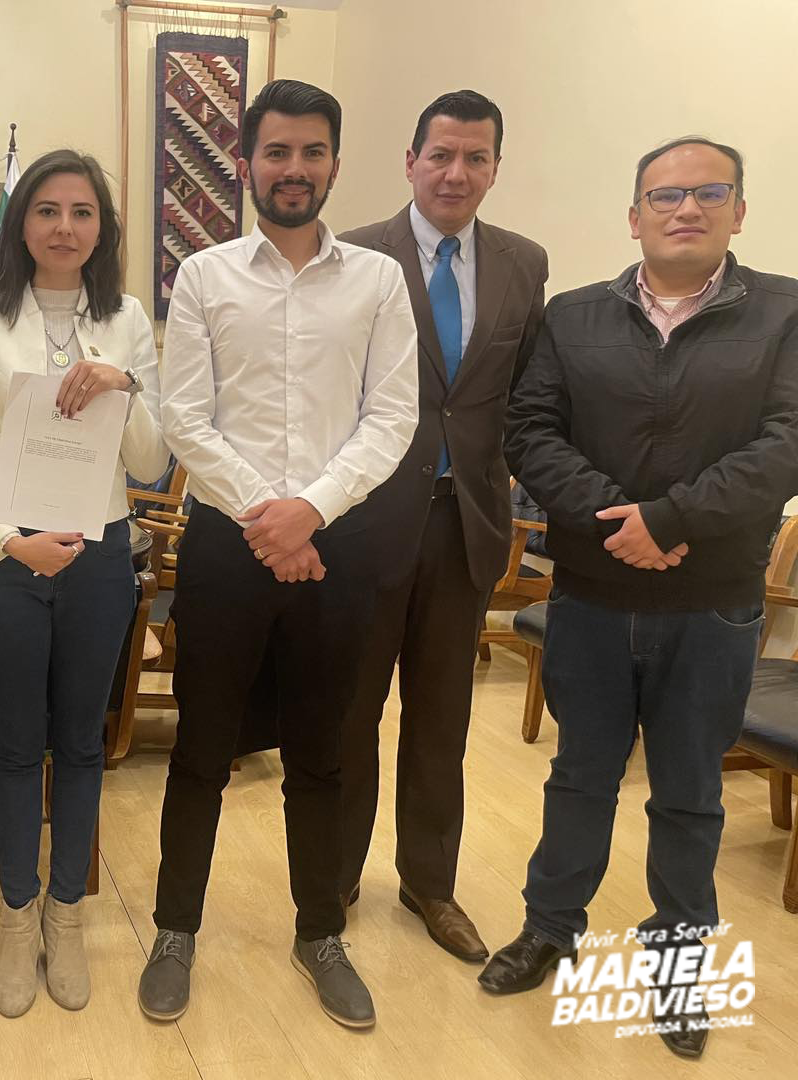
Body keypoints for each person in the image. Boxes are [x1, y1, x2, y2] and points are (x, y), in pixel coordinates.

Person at [488, 136, 798, 1061]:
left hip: (713, 602)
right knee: (579, 776)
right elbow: (529, 430)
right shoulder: (574, 315)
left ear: (739, 210)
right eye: (665, 195)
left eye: (709, 192)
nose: (686, 208)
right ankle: (551, 928)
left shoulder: (785, 312)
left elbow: (787, 442)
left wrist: (671, 520)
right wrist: (614, 521)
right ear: (634, 217)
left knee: (690, 792)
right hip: (591, 594)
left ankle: (676, 964)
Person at [139, 79, 419, 1030]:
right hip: (228, 543)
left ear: (334, 163)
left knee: (323, 753)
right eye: (276, 152)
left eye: (311, 152)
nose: (293, 169)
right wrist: (270, 517)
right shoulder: (205, 275)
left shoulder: (377, 280)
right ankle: (175, 931)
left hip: (339, 545)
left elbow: (393, 416)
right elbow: (184, 416)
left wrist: (312, 511)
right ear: (247, 164)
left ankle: (319, 933)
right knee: (201, 751)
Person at [0, 149, 168, 1018]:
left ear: (102, 228)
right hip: (9, 559)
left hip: (100, 559)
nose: (65, 227)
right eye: (47, 210)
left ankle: (67, 915)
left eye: (82, 212)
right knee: (16, 746)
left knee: (81, 745)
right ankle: (15, 917)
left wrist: (124, 384)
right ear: (22, 224)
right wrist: (6, 542)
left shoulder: (128, 318)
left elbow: (151, 459)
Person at [336, 90, 547, 961]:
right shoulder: (353, 254)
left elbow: (526, 400)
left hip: (466, 526)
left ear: (495, 168)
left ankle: (430, 884)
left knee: (442, 722)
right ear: (411, 161)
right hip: (365, 526)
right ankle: (333, 875)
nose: (456, 173)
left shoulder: (524, 263)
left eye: (476, 158)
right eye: (442, 155)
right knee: (349, 714)